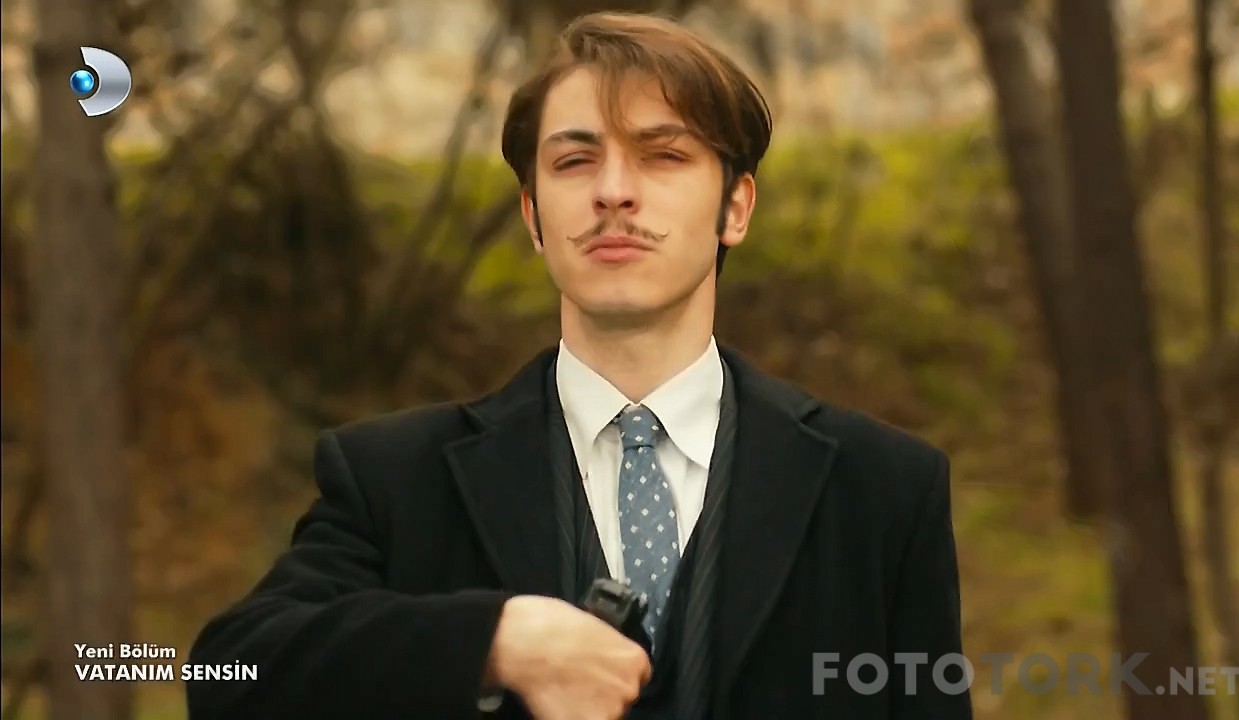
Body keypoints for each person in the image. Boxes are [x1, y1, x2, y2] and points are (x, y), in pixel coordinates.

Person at [186, 11, 971, 720]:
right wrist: (492, 641)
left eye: (663, 155)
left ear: (735, 207)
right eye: (573, 161)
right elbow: (228, 673)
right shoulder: (392, 479)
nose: (614, 192)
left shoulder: (883, 491)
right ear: (533, 215)